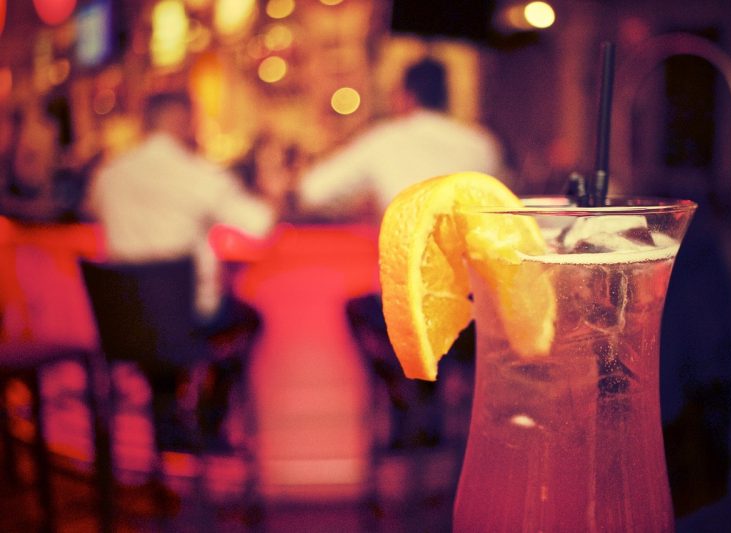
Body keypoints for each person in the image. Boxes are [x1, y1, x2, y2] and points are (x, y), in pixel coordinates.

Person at [85, 91, 275, 453]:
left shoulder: (107, 175)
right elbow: (260, 224)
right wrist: (275, 190)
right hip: (183, 319)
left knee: (158, 326)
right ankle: (208, 423)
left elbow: (89, 210)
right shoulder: (199, 174)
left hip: (122, 322)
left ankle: (168, 420)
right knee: (245, 320)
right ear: (182, 122)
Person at [297, 57, 504, 220]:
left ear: (407, 96)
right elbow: (500, 204)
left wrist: (355, 202)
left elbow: (313, 191)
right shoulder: (481, 142)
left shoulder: (384, 139)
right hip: (469, 256)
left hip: (405, 253)